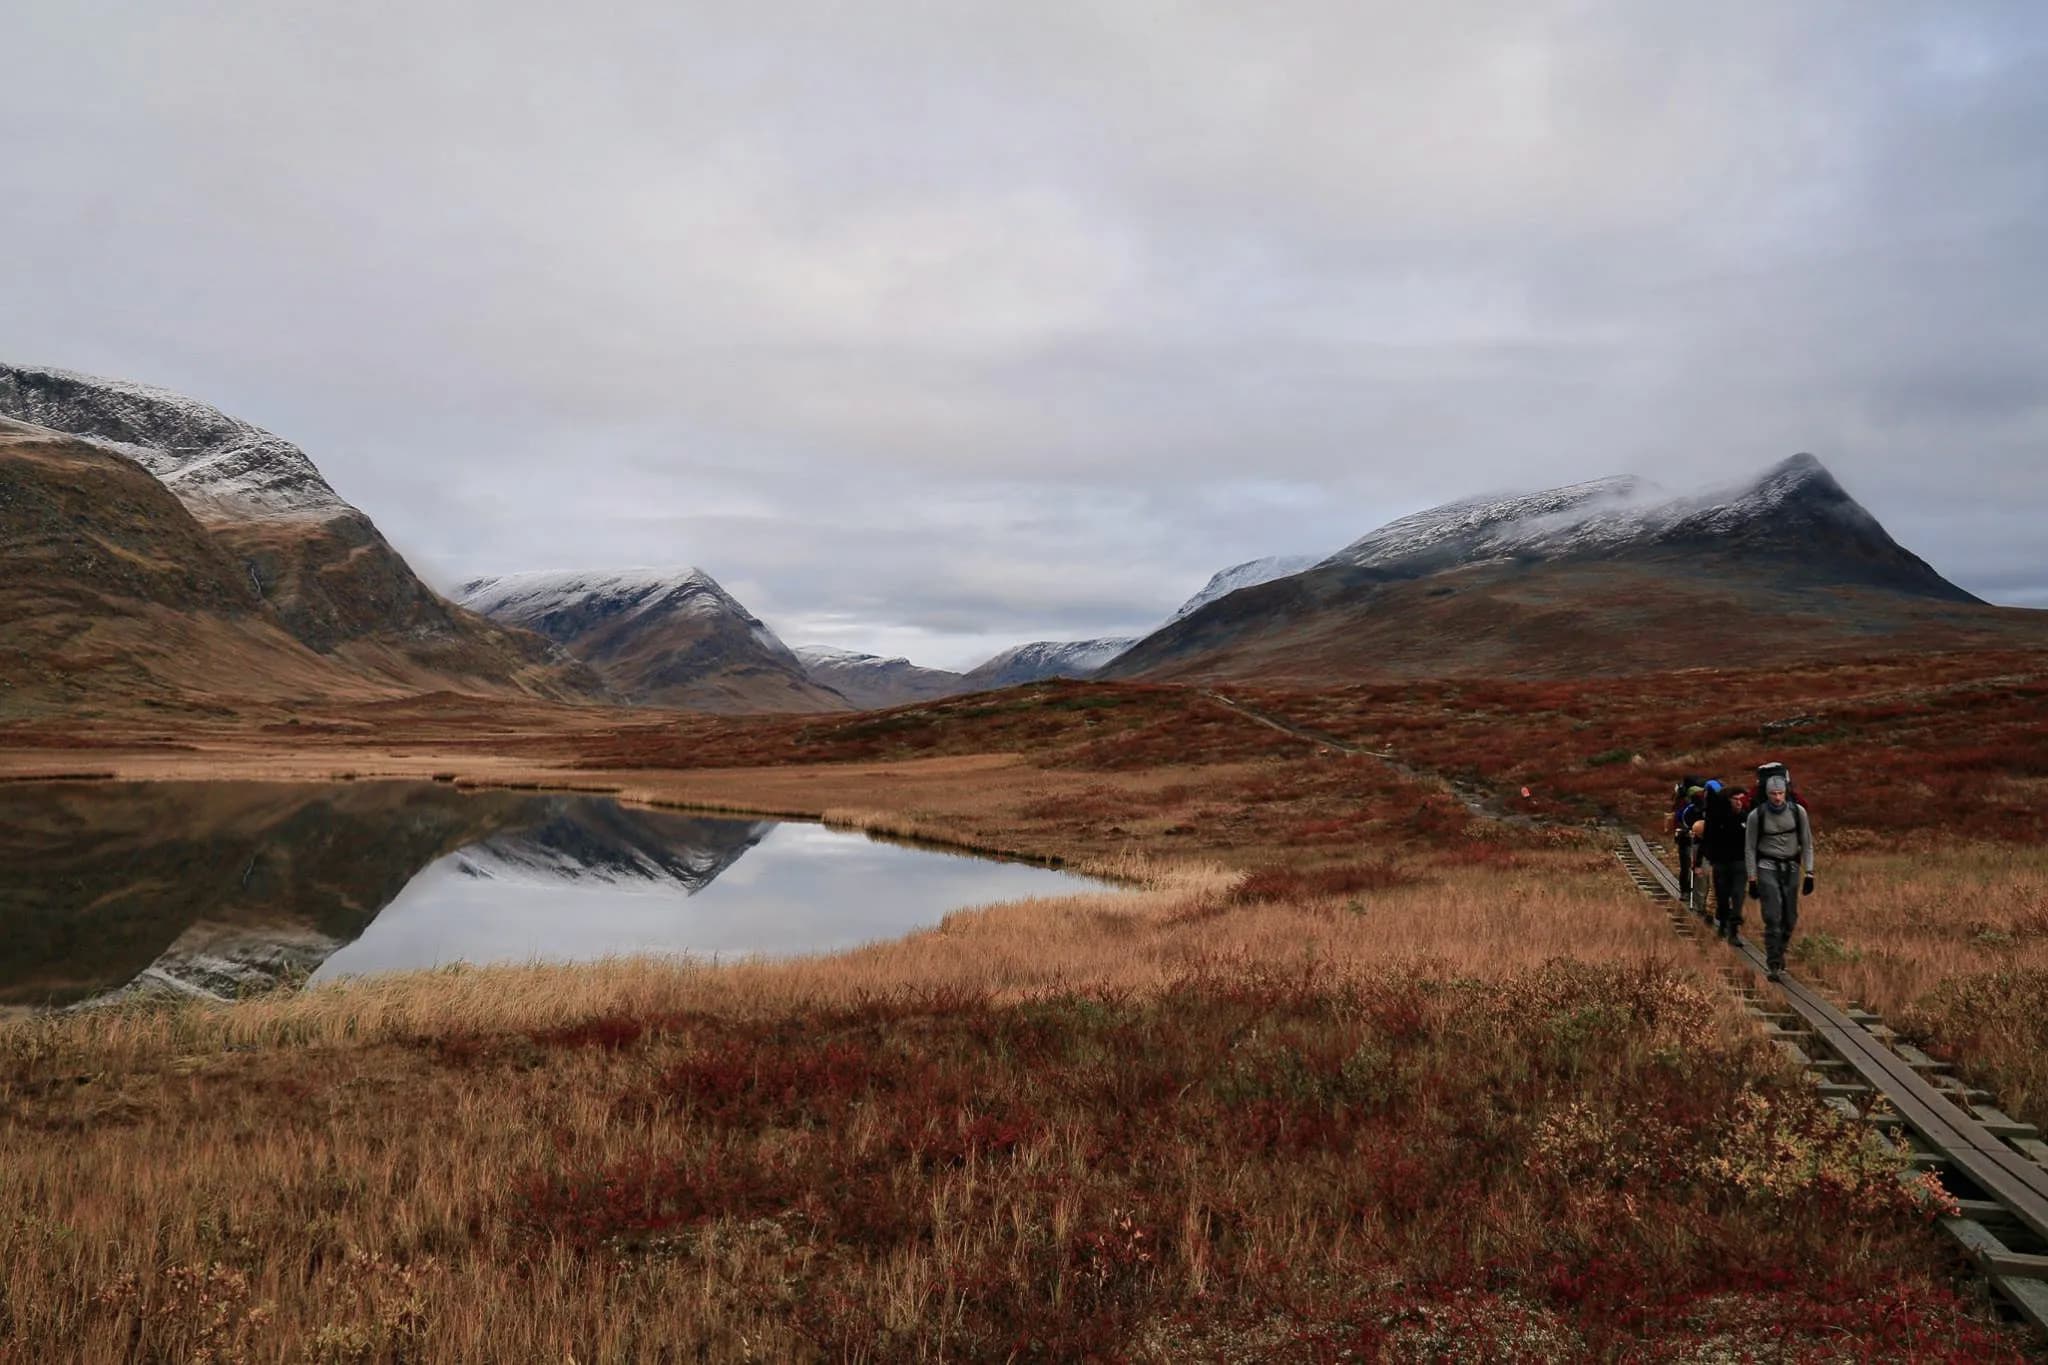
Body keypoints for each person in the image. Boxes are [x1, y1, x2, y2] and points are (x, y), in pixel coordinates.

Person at [1745, 775, 1815, 981]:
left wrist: (1809, 872)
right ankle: (1773, 962)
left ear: (1786, 792)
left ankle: (1780, 951)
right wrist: (1752, 879)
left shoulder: (1797, 812)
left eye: (1780, 793)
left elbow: (1807, 843)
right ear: (1766, 795)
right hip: (1766, 866)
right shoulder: (1756, 816)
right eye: (1773, 794)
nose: (1777, 798)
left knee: (1790, 918)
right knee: (1773, 916)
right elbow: (1749, 848)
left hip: (1791, 867)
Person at [1693, 779, 1748, 945]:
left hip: (1740, 863)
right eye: (1736, 799)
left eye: (1742, 799)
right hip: (1721, 863)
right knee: (1722, 897)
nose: (1739, 803)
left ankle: (1734, 931)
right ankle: (1723, 924)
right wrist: (1699, 862)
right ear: (1728, 799)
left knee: (1738, 896)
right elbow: (1706, 840)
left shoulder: (1746, 817)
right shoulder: (1716, 818)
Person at [1673, 781, 1706, 901]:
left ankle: (1694, 894)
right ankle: (1685, 891)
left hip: (1698, 841)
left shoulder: (1703, 807)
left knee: (1695, 867)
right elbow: (1678, 821)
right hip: (1686, 840)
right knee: (1686, 866)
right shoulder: (1684, 808)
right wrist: (1685, 830)